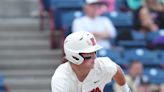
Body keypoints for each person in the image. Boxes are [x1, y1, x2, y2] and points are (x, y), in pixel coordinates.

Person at [51, 31, 130, 92]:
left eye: (94, 52)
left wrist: (125, 90)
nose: (94, 57)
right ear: (74, 57)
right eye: (89, 55)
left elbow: (117, 70)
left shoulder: (103, 66)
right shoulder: (61, 78)